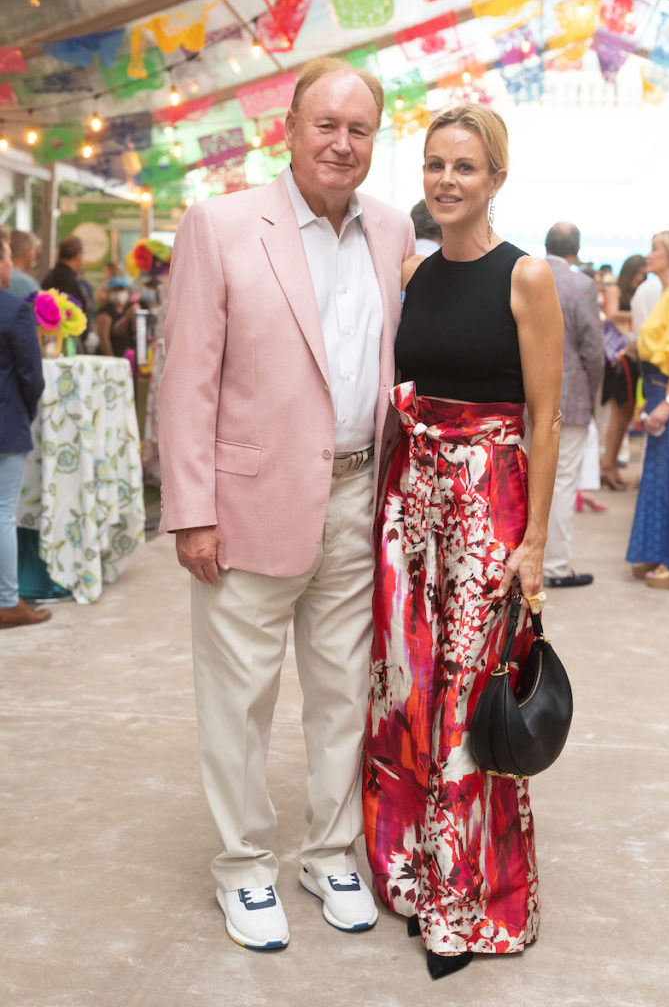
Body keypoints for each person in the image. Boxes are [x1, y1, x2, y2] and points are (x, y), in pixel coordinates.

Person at [158, 57, 415, 951]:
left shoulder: (390, 231)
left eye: (359, 130)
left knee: (345, 692)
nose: (341, 143)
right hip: (244, 502)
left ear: (375, 140)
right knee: (239, 699)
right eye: (326, 125)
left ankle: (329, 851)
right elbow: (184, 376)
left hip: (355, 495)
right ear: (289, 127)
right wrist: (191, 507)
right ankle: (243, 865)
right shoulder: (222, 223)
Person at [362, 104, 564, 979]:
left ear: (496, 180)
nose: (446, 180)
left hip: (490, 507)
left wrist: (533, 543)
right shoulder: (411, 271)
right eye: (435, 165)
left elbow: (548, 418)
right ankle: (413, 872)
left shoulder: (527, 279)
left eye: (465, 168)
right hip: (412, 508)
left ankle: (467, 899)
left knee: (466, 696)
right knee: (407, 688)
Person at [542, 222, 604, 588]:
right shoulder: (581, 284)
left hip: (525, 394)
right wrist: (591, 390)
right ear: (576, 252)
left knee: (530, 476)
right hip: (572, 394)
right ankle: (555, 567)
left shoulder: (524, 273)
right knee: (564, 481)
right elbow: (593, 349)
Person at [0, 227, 51, 629]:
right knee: (3, 514)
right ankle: (7, 601)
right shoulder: (14, 309)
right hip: (6, 425)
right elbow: (32, 377)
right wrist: (25, 411)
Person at [626, 230, 669, 589]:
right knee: (660, 478)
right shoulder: (668, 293)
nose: (649, 255)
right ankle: (659, 550)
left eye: (655, 249)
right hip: (658, 389)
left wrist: (668, 401)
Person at [600, 254, 647, 490]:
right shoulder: (615, 290)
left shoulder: (636, 293)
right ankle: (608, 468)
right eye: (638, 273)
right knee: (618, 418)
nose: (641, 278)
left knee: (625, 417)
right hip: (619, 360)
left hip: (632, 358)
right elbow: (611, 314)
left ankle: (612, 468)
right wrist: (641, 315)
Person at [8, 230, 39, 300]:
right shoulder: (28, 284)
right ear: (28, 253)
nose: (35, 255)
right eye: (33, 250)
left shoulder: (3, 277)